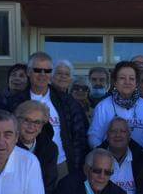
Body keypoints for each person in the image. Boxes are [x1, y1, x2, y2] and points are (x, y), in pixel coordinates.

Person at [10, 51, 88, 180]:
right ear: (29, 72)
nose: (42, 74)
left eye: (47, 71)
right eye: (37, 70)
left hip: (61, 165)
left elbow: (79, 137)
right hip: (24, 164)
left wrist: (76, 166)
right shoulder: (15, 101)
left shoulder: (66, 101)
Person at [89, 60, 143, 150]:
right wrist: (102, 154)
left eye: (131, 78)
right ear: (115, 82)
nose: (127, 82)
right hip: (109, 159)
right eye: (122, 78)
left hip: (141, 159)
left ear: (136, 83)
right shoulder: (103, 106)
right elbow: (94, 136)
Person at [100, 117, 143, 194]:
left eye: (123, 131)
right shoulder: (95, 160)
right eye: (113, 131)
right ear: (107, 136)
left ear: (129, 136)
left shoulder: (142, 160)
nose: (118, 135)